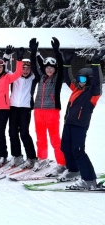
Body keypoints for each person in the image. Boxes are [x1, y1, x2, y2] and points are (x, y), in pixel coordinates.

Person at [57, 50, 104, 189]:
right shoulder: (77, 89)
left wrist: (96, 63)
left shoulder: (93, 93)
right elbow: (67, 78)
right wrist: (66, 64)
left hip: (80, 125)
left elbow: (98, 82)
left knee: (78, 151)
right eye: (79, 79)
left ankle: (88, 180)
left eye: (83, 80)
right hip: (69, 124)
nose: (79, 82)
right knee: (65, 148)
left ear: (89, 80)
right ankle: (73, 170)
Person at [29, 37, 66, 176]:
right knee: (40, 137)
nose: (49, 70)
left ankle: (62, 164)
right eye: (47, 68)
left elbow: (61, 66)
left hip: (52, 111)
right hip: (38, 111)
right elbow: (35, 64)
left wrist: (57, 51)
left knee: (55, 139)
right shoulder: (41, 77)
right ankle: (43, 159)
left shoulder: (57, 78)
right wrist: (33, 52)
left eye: (52, 68)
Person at [7, 52, 40, 169]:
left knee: (24, 133)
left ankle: (31, 158)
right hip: (13, 107)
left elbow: (38, 71)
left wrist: (34, 55)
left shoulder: (33, 78)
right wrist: (8, 56)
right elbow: (3, 68)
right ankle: (17, 155)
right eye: (23, 68)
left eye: (27, 68)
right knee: (12, 132)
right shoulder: (14, 77)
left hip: (25, 109)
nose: (25, 71)